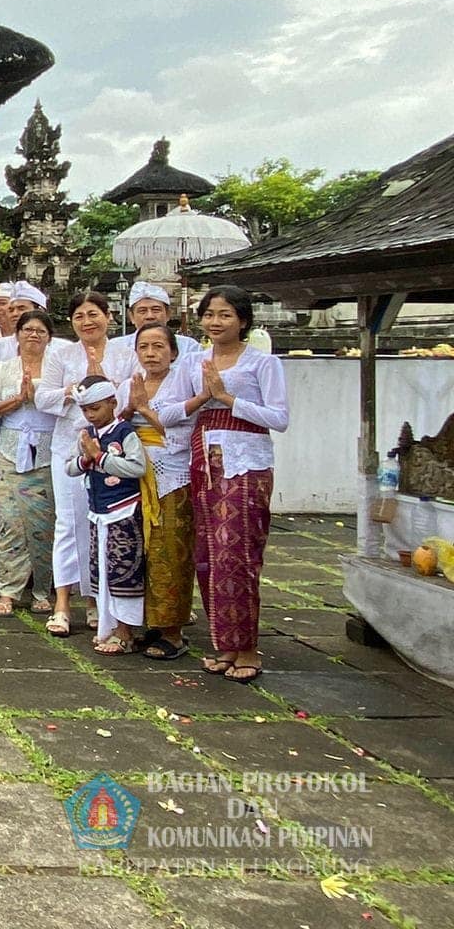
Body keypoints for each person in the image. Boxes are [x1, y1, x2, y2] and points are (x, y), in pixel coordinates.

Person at [184, 285, 288, 684]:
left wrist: (226, 398)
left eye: (225, 314)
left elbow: (278, 418)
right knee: (208, 555)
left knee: (237, 554)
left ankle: (248, 648)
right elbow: (176, 408)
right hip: (204, 459)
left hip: (245, 465)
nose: (216, 322)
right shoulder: (195, 361)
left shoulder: (263, 364)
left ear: (243, 320)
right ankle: (225, 643)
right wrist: (200, 400)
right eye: (210, 314)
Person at [36, 291, 137, 637]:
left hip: (114, 450)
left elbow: (132, 397)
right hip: (70, 445)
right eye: (79, 316)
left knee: (105, 523)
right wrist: (76, 391)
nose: (87, 322)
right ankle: (63, 601)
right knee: (68, 522)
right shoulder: (61, 354)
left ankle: (97, 599)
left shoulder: (126, 356)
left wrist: (104, 382)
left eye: (93, 314)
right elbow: (42, 397)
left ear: (108, 316)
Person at [0, 310, 59, 616]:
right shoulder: (2, 369)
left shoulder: (57, 368)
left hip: (47, 451)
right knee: (10, 523)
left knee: (43, 525)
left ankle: (41, 589)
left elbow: (68, 401)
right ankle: (8, 590)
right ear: (18, 335)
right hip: (11, 452)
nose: (33, 335)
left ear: (49, 336)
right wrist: (17, 401)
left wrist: (38, 397)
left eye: (40, 330)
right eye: (27, 330)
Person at [123, 324, 197, 661]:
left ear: (174, 352)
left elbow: (186, 428)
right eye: (144, 347)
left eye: (158, 346)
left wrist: (144, 410)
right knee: (140, 551)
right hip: (134, 475)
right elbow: (113, 424)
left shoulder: (185, 381)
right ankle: (146, 622)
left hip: (172, 474)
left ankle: (173, 630)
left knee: (170, 551)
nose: (151, 353)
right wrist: (129, 408)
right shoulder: (130, 383)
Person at [67, 376, 148, 655]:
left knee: (123, 571)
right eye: (85, 409)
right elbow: (71, 467)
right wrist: (86, 459)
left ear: (113, 403)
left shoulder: (125, 433)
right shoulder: (88, 434)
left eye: (96, 408)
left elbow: (137, 467)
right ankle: (109, 627)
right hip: (98, 512)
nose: (90, 415)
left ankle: (126, 632)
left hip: (123, 511)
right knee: (101, 571)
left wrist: (101, 458)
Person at [121, 282, 200, 362]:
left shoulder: (188, 346)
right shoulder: (117, 346)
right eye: (142, 311)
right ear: (131, 316)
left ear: (168, 314)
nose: (150, 316)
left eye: (156, 310)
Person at [0, 282, 47, 369]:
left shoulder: (60, 348)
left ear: (40, 310)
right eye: (11, 310)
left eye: (21, 308)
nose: (15, 314)